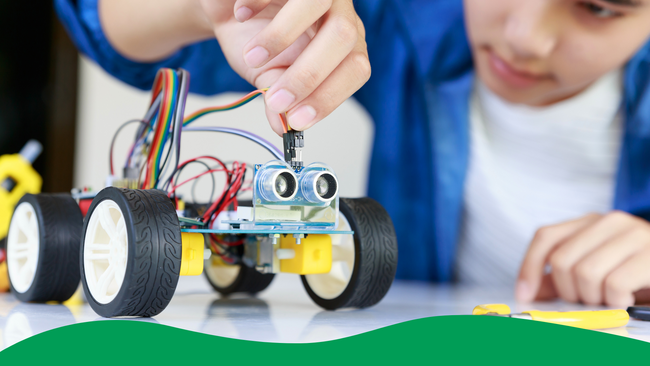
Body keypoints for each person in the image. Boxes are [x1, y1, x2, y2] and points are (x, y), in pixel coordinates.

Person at [55, 0, 650, 307]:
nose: (526, 37)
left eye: (599, 8)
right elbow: (108, 30)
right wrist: (206, 8)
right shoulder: (408, 20)